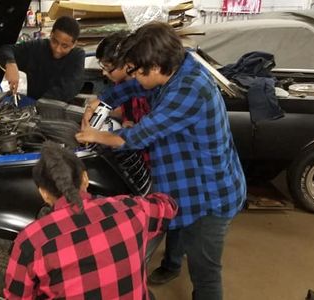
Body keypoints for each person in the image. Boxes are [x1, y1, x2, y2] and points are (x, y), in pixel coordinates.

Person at [76, 22, 246, 300]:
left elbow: (138, 135)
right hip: (181, 183)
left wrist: (93, 135)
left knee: (205, 274)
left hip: (208, 197)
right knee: (168, 233)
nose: (135, 79)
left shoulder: (190, 89)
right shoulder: (175, 67)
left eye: (139, 72)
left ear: (155, 67)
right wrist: (101, 102)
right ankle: (171, 264)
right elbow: (132, 87)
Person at [4, 141, 177, 299]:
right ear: (85, 178)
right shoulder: (132, 210)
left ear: (44, 193)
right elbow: (169, 206)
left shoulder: (30, 242)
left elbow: (16, 297)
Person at [0, 16, 85, 103]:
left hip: (59, 108)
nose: (58, 49)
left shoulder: (77, 56)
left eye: (64, 46)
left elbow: (70, 87)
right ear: (51, 34)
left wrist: (41, 104)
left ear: (74, 44)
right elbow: (5, 50)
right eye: (54, 41)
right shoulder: (38, 47)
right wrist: (10, 64)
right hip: (31, 103)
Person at [95, 31, 151, 165]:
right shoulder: (120, 83)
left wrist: (96, 136)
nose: (104, 72)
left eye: (108, 67)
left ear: (126, 63)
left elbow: (147, 131)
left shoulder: (146, 87)